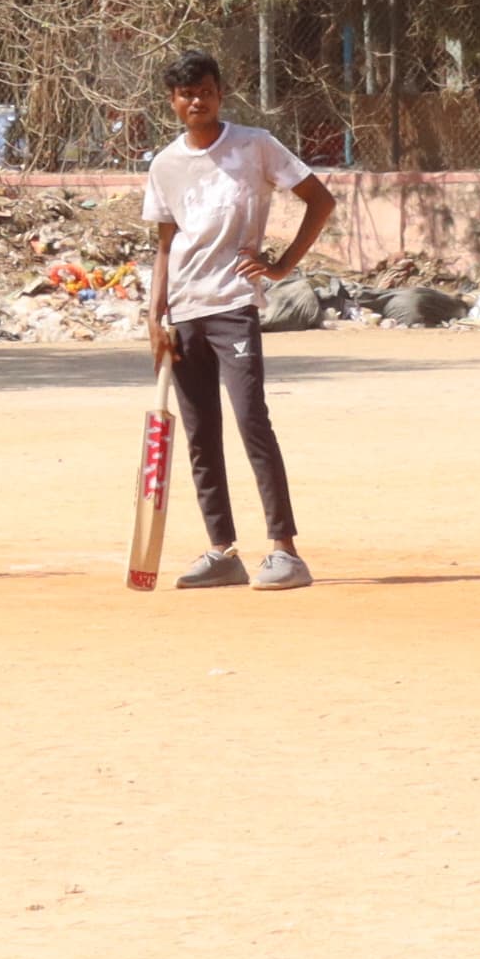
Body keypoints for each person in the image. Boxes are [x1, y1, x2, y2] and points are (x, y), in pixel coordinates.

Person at [142, 51, 335, 592]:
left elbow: (319, 200)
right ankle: (222, 551)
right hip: (184, 311)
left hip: (233, 304)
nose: (196, 101)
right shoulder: (164, 164)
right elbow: (164, 243)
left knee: (252, 420)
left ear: (220, 92)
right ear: (172, 101)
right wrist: (155, 314)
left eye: (204, 90)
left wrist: (283, 265)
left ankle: (285, 551)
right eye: (185, 94)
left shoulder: (254, 145)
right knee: (201, 433)